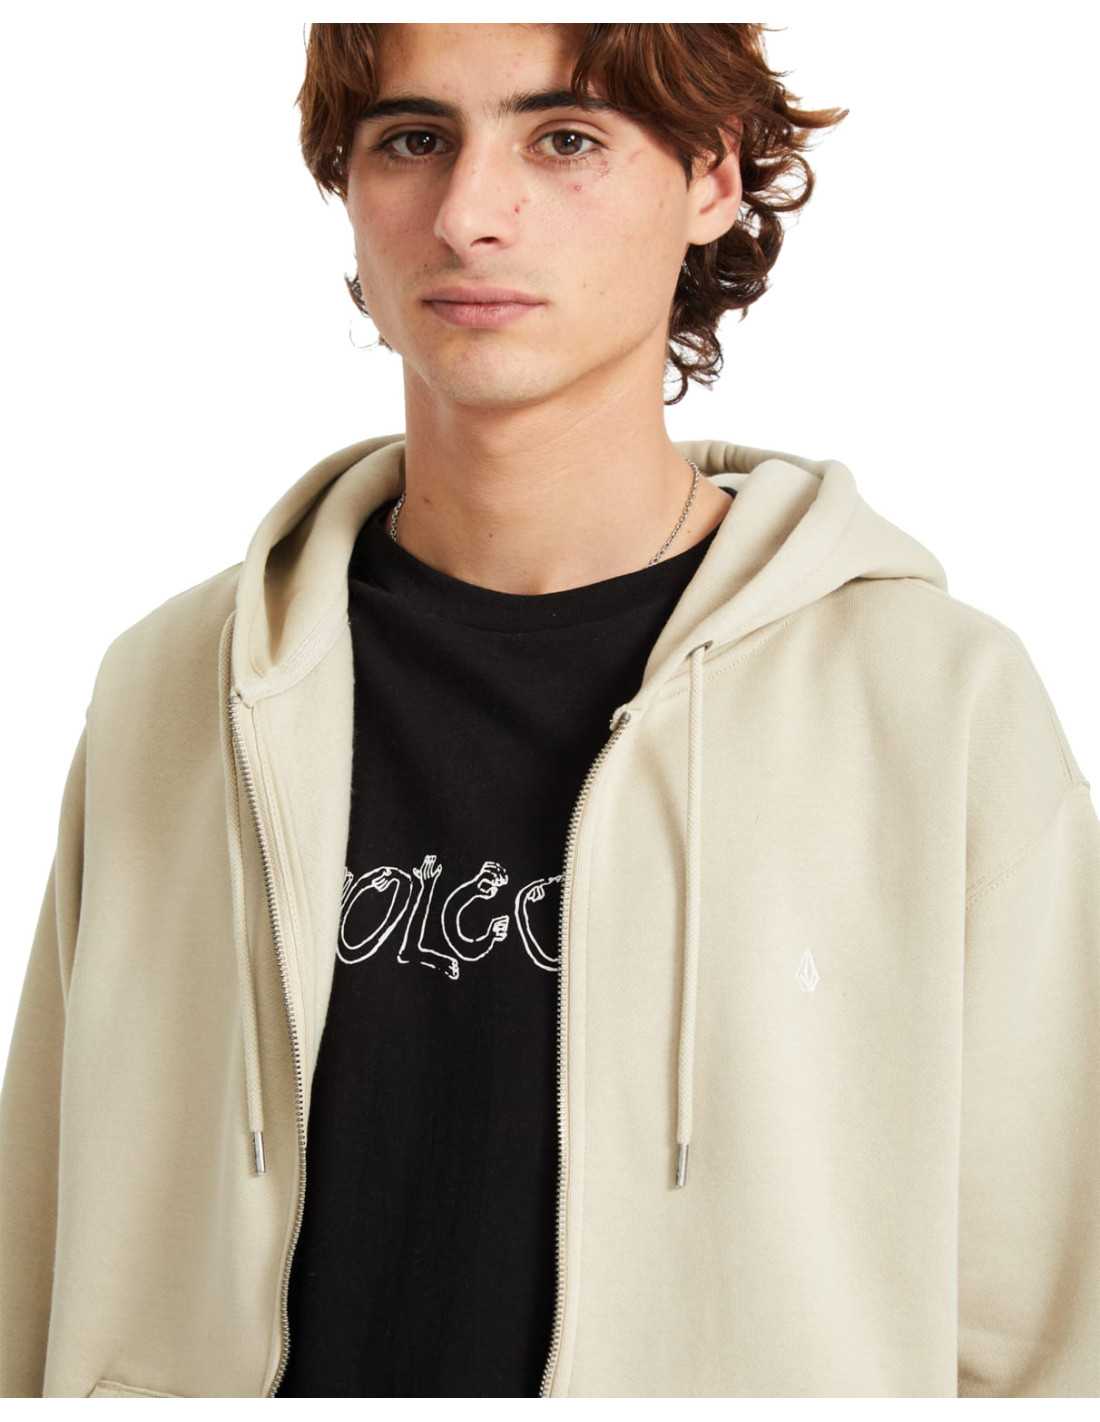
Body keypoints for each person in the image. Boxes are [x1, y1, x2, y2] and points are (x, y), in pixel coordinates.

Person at [1, 20, 1097, 1400]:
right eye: (413, 140)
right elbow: (40, 1258)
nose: (470, 213)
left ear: (712, 179)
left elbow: (1050, 1335)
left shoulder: (936, 708)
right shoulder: (179, 686)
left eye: (564, 139)